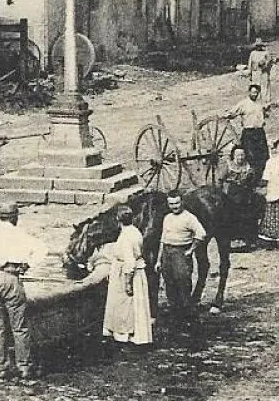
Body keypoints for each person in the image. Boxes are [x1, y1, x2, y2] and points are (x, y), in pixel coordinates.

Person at [0, 201, 46, 379]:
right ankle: (24, 366)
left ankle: (1, 367)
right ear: (15, 217)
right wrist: (27, 264)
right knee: (19, 327)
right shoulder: (20, 234)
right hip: (11, 277)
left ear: (1, 217)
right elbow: (42, 249)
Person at [102, 206, 153, 346]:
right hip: (137, 271)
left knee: (124, 305)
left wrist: (127, 283)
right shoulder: (135, 231)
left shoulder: (125, 236)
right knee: (135, 305)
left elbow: (129, 263)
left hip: (127, 273)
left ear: (118, 220)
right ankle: (136, 334)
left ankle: (124, 336)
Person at [156, 193, 207, 324]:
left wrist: (190, 250)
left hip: (181, 252)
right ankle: (175, 317)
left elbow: (201, 234)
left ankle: (188, 319)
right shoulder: (167, 217)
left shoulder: (189, 218)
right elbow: (163, 239)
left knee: (183, 284)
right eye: (171, 204)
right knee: (169, 284)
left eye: (177, 203)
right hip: (167, 253)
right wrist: (158, 259)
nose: (174, 207)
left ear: (182, 202)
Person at [219, 145, 263, 245]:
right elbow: (220, 180)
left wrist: (251, 182)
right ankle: (235, 240)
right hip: (232, 194)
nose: (240, 157)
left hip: (246, 194)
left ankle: (249, 239)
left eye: (242, 155)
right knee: (233, 215)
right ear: (233, 155)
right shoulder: (228, 166)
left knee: (250, 212)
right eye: (238, 155)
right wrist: (221, 193)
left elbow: (254, 181)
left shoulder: (248, 166)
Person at [227, 84, 271, 180]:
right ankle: (250, 178)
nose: (254, 94)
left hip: (259, 132)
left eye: (256, 93)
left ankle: (260, 178)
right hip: (249, 133)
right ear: (249, 92)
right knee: (250, 155)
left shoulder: (260, 103)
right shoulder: (243, 103)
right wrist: (227, 116)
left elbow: (266, 113)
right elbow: (232, 113)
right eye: (253, 92)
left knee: (263, 155)